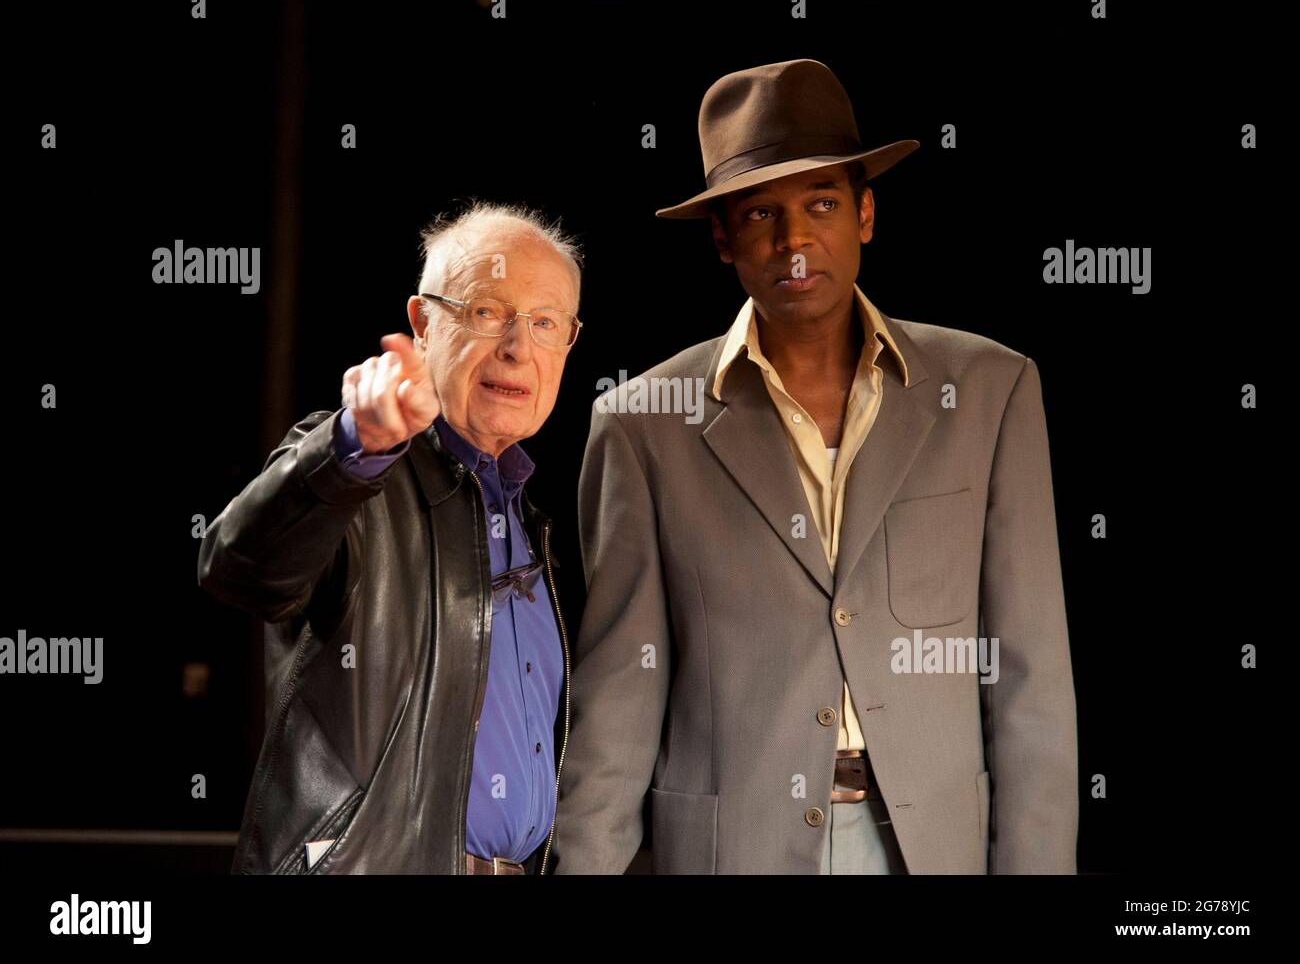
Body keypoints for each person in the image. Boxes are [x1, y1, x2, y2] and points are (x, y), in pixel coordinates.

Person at [551, 59, 1078, 874]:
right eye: (761, 212)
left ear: (865, 215)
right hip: (734, 852)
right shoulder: (641, 426)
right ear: (723, 238)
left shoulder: (989, 390)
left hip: (932, 848)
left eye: (822, 204)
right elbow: (620, 694)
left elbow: (1028, 675)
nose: (794, 240)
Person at [198, 201, 584, 874]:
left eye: (545, 323)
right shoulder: (358, 477)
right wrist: (354, 448)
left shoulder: (539, 531)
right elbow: (240, 568)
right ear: (423, 324)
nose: (517, 347)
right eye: (486, 312)